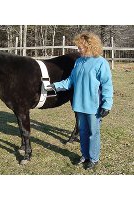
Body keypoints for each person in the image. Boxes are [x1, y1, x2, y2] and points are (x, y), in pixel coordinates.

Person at [47, 32, 113, 170]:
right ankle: (85, 155)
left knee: (93, 133)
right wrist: (56, 86)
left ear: (90, 46)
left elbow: (107, 85)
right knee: (82, 131)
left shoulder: (101, 63)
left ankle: (93, 158)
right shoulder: (79, 61)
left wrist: (107, 104)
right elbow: (71, 80)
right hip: (79, 104)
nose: (78, 50)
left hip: (94, 106)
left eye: (80, 47)